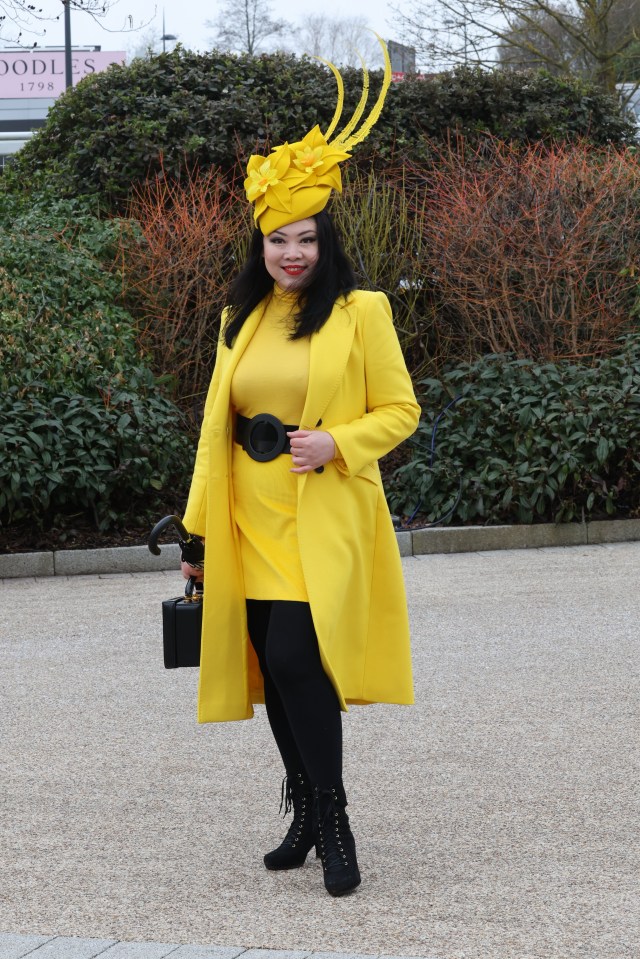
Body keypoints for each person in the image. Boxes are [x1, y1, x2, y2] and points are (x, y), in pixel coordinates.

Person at [179, 37, 421, 897]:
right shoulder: (238, 316)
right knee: (273, 664)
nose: (292, 253)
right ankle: (309, 810)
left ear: (326, 240)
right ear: (261, 242)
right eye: (279, 239)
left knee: (296, 655)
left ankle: (336, 816)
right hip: (250, 515)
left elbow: (400, 410)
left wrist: (339, 443)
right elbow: (217, 426)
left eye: (306, 238)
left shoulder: (362, 312)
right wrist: (196, 530)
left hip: (321, 514)